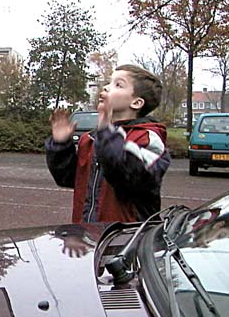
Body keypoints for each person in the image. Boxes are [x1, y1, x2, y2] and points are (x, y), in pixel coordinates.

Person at [45, 64, 171, 223]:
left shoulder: (147, 137)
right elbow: (69, 179)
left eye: (118, 84)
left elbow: (129, 175)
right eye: (109, 82)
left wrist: (106, 132)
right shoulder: (90, 139)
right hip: (88, 237)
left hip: (128, 240)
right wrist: (61, 145)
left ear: (137, 103)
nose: (106, 87)